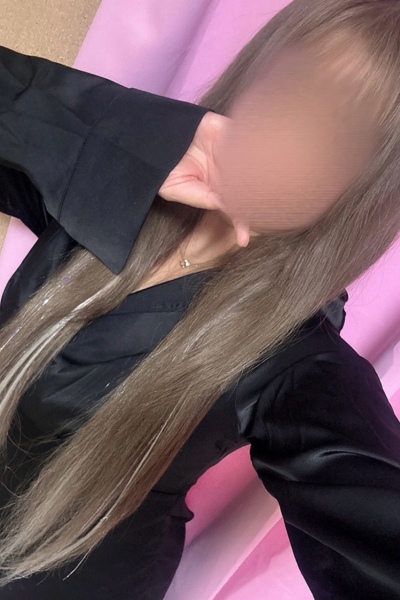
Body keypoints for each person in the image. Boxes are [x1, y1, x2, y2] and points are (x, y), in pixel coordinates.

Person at [0, 0, 399, 598]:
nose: (287, 139)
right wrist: (129, 138)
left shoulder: (297, 366)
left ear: (363, 189)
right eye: (295, 87)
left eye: (339, 136)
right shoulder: (113, 187)